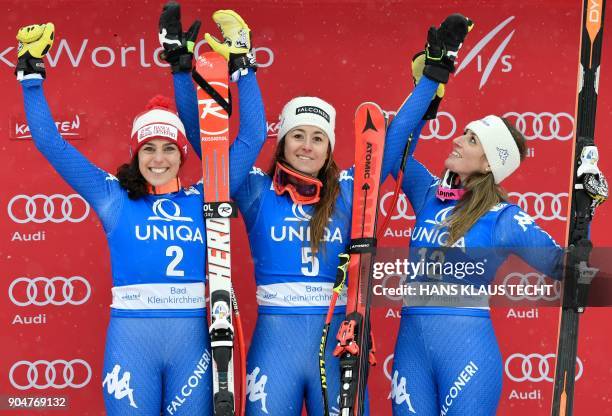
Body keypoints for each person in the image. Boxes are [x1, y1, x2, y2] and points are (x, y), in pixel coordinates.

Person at [169, 8, 472, 415]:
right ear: (283, 142)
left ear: (329, 148)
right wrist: (180, 70)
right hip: (275, 346)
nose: (306, 146)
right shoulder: (256, 189)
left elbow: (392, 136)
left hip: (336, 344)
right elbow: (207, 138)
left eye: (317, 138)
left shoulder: (351, 189)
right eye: (297, 135)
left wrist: (435, 74)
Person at [16, 15, 266, 416]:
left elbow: (253, 136)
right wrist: (31, 72)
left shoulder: (206, 194)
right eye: (148, 148)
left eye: (169, 148)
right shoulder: (113, 197)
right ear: (135, 154)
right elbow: (50, 143)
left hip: (192, 345)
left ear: (183, 154)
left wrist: (243, 64)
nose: (159, 158)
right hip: (132, 343)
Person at [384, 22, 568, 415]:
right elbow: (393, 143)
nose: (457, 140)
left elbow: (565, 267)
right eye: (464, 133)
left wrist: (586, 225)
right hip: (411, 348)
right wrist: (433, 79)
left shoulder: (503, 217)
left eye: (471, 139)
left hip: (467, 356)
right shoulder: (430, 193)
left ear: (489, 163)